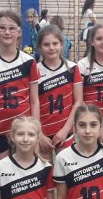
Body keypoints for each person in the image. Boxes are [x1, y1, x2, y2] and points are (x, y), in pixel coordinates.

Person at [0, 11, 40, 164]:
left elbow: (34, 101)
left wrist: (36, 134)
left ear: (19, 32)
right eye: (2, 28)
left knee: (25, 174)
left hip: (24, 131)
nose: (7, 32)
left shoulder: (28, 62)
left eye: (12, 28)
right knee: (2, 175)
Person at [35, 25, 83, 162]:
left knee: (67, 170)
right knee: (46, 172)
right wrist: (39, 134)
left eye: (55, 43)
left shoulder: (72, 69)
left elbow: (78, 102)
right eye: (46, 44)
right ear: (40, 47)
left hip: (65, 132)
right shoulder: (35, 70)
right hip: (43, 133)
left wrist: (65, 130)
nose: (51, 48)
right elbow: (33, 103)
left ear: (62, 45)